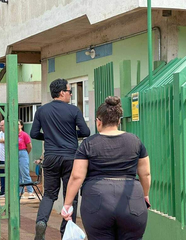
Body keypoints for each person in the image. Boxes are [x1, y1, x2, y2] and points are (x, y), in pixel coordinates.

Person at [61, 96, 151, 240]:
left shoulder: (88, 144)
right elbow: (145, 174)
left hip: (97, 202)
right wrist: (145, 195)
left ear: (98, 121)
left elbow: (77, 176)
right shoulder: (135, 141)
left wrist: (67, 204)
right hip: (132, 200)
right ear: (119, 121)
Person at [30, 78, 90, 239]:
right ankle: (66, 231)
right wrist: (71, 135)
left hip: (50, 157)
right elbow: (86, 132)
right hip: (71, 157)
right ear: (62, 92)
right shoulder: (73, 110)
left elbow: (34, 134)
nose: (71, 94)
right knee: (71, 194)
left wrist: (49, 137)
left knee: (49, 194)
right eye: (70, 91)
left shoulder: (42, 111)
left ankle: (41, 222)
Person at [18, 119, 36, 199]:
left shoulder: (24, 135)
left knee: (25, 172)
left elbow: (29, 146)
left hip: (23, 152)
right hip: (15, 154)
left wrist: (25, 153)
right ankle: (20, 191)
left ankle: (30, 191)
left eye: (18, 124)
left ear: (21, 125)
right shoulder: (13, 135)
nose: (17, 126)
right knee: (18, 174)